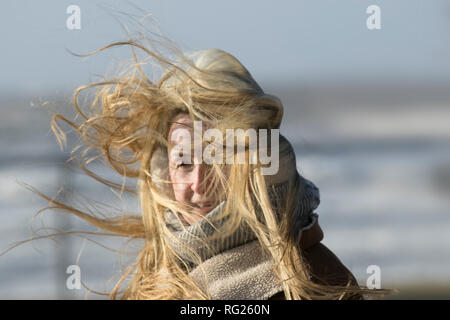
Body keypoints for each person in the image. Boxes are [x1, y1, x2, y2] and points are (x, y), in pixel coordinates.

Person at [41, 38, 385, 300]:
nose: (199, 185)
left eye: (221, 161)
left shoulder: (314, 279)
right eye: (184, 163)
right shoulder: (157, 276)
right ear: (164, 171)